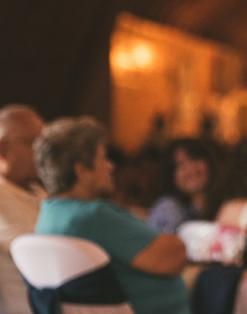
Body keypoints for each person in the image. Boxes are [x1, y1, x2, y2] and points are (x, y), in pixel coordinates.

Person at [33, 117, 190, 314]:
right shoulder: (94, 216)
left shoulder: (48, 214)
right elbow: (174, 258)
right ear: (81, 170)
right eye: (103, 158)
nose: (111, 166)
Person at [0, 105, 46, 314]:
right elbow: (40, 256)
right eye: (31, 143)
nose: (41, 151)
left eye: (43, 143)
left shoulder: (39, 191)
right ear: (2, 149)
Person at [147, 137, 224, 234]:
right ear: (170, 175)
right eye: (181, 165)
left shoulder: (224, 204)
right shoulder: (169, 208)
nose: (190, 169)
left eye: (194, 159)